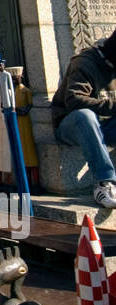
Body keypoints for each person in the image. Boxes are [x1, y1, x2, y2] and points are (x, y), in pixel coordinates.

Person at [52, 27, 116, 210]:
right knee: (86, 116)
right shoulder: (85, 62)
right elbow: (74, 100)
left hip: (104, 127)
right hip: (72, 125)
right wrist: (113, 106)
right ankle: (105, 182)